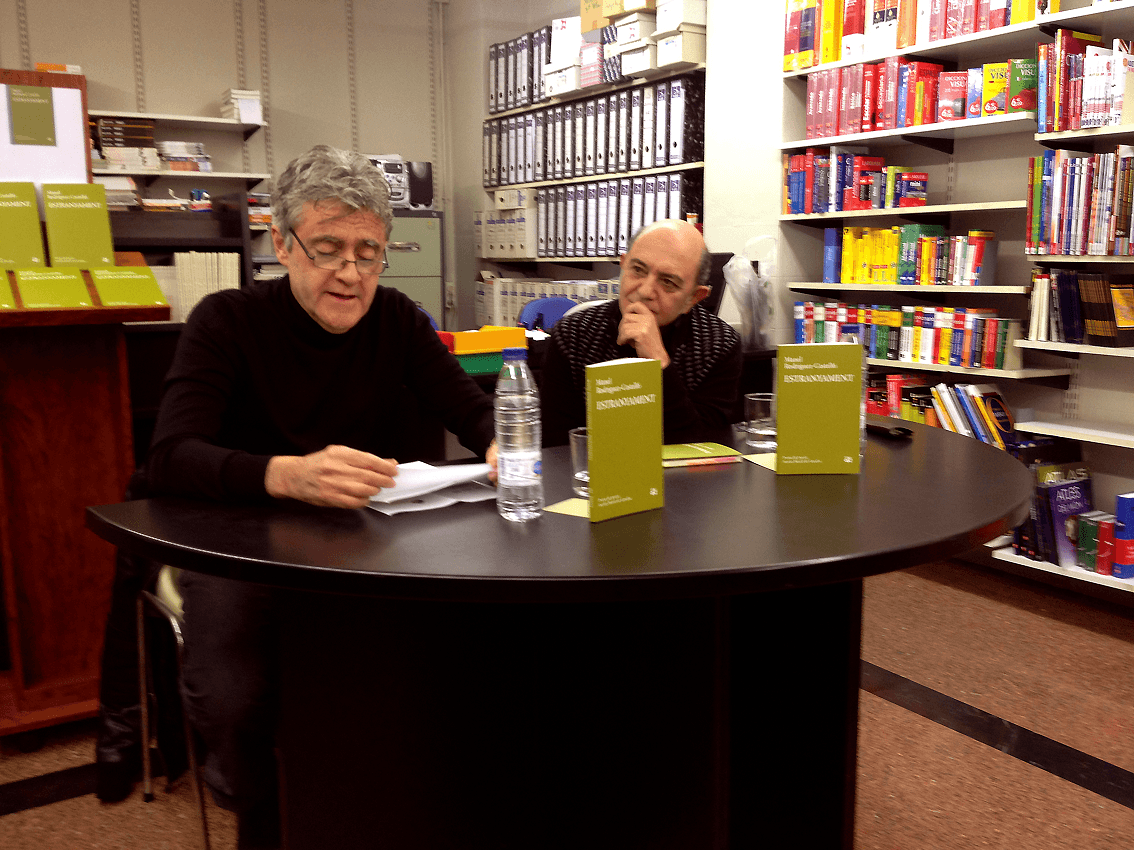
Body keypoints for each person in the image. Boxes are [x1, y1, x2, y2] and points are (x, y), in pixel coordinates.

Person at [142, 145, 498, 848]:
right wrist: (285, 474)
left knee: (452, 666)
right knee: (236, 696)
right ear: (282, 243)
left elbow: (472, 410)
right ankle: (260, 811)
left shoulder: (397, 319)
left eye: (369, 253)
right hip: (240, 543)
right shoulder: (226, 320)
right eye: (328, 250)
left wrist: (499, 441)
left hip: (360, 541)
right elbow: (170, 457)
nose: (351, 274)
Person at [539, 218, 742, 447]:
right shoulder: (573, 335)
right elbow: (557, 446)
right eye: (637, 270)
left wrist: (658, 363)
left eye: (668, 282)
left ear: (693, 298)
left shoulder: (718, 344)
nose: (645, 291)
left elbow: (704, 448)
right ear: (623, 265)